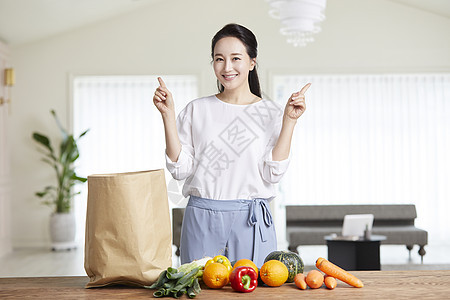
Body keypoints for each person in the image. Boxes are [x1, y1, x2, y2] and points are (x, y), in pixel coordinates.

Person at [153, 23, 310, 267]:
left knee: (254, 292)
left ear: (251, 62)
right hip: (201, 220)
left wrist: (290, 121)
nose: (227, 67)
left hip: (251, 222)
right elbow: (180, 170)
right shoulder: (197, 110)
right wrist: (167, 116)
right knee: (199, 291)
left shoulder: (271, 112)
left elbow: (273, 172)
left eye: (236, 58)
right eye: (219, 59)